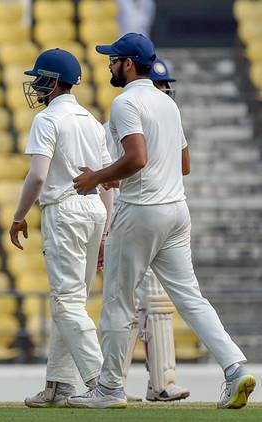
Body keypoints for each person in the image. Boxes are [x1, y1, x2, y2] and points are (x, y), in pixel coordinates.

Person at [68, 32, 255, 410]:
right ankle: (235, 368)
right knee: (191, 298)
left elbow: (136, 158)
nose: (109, 64)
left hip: (141, 212)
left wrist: (97, 177)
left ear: (128, 64)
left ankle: (108, 388)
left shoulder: (126, 103)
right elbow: (182, 164)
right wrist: (125, 173)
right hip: (176, 211)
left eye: (114, 59)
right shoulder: (167, 104)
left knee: (118, 302)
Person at [8, 49, 114, 408]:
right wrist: (106, 232)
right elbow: (105, 185)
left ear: (53, 82)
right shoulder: (92, 121)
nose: (36, 86)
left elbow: (38, 175)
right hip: (94, 212)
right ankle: (59, 384)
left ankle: (102, 383)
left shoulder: (48, 120)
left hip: (64, 211)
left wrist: (19, 215)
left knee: (67, 304)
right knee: (71, 303)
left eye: (40, 79)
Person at [106, 57, 190, 403]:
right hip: (133, 213)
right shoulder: (126, 116)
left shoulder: (164, 115)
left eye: (165, 86)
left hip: (158, 215)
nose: (162, 91)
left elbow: (182, 166)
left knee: (155, 303)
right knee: (124, 301)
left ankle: (161, 382)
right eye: (158, 85)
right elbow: (111, 180)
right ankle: (114, 382)